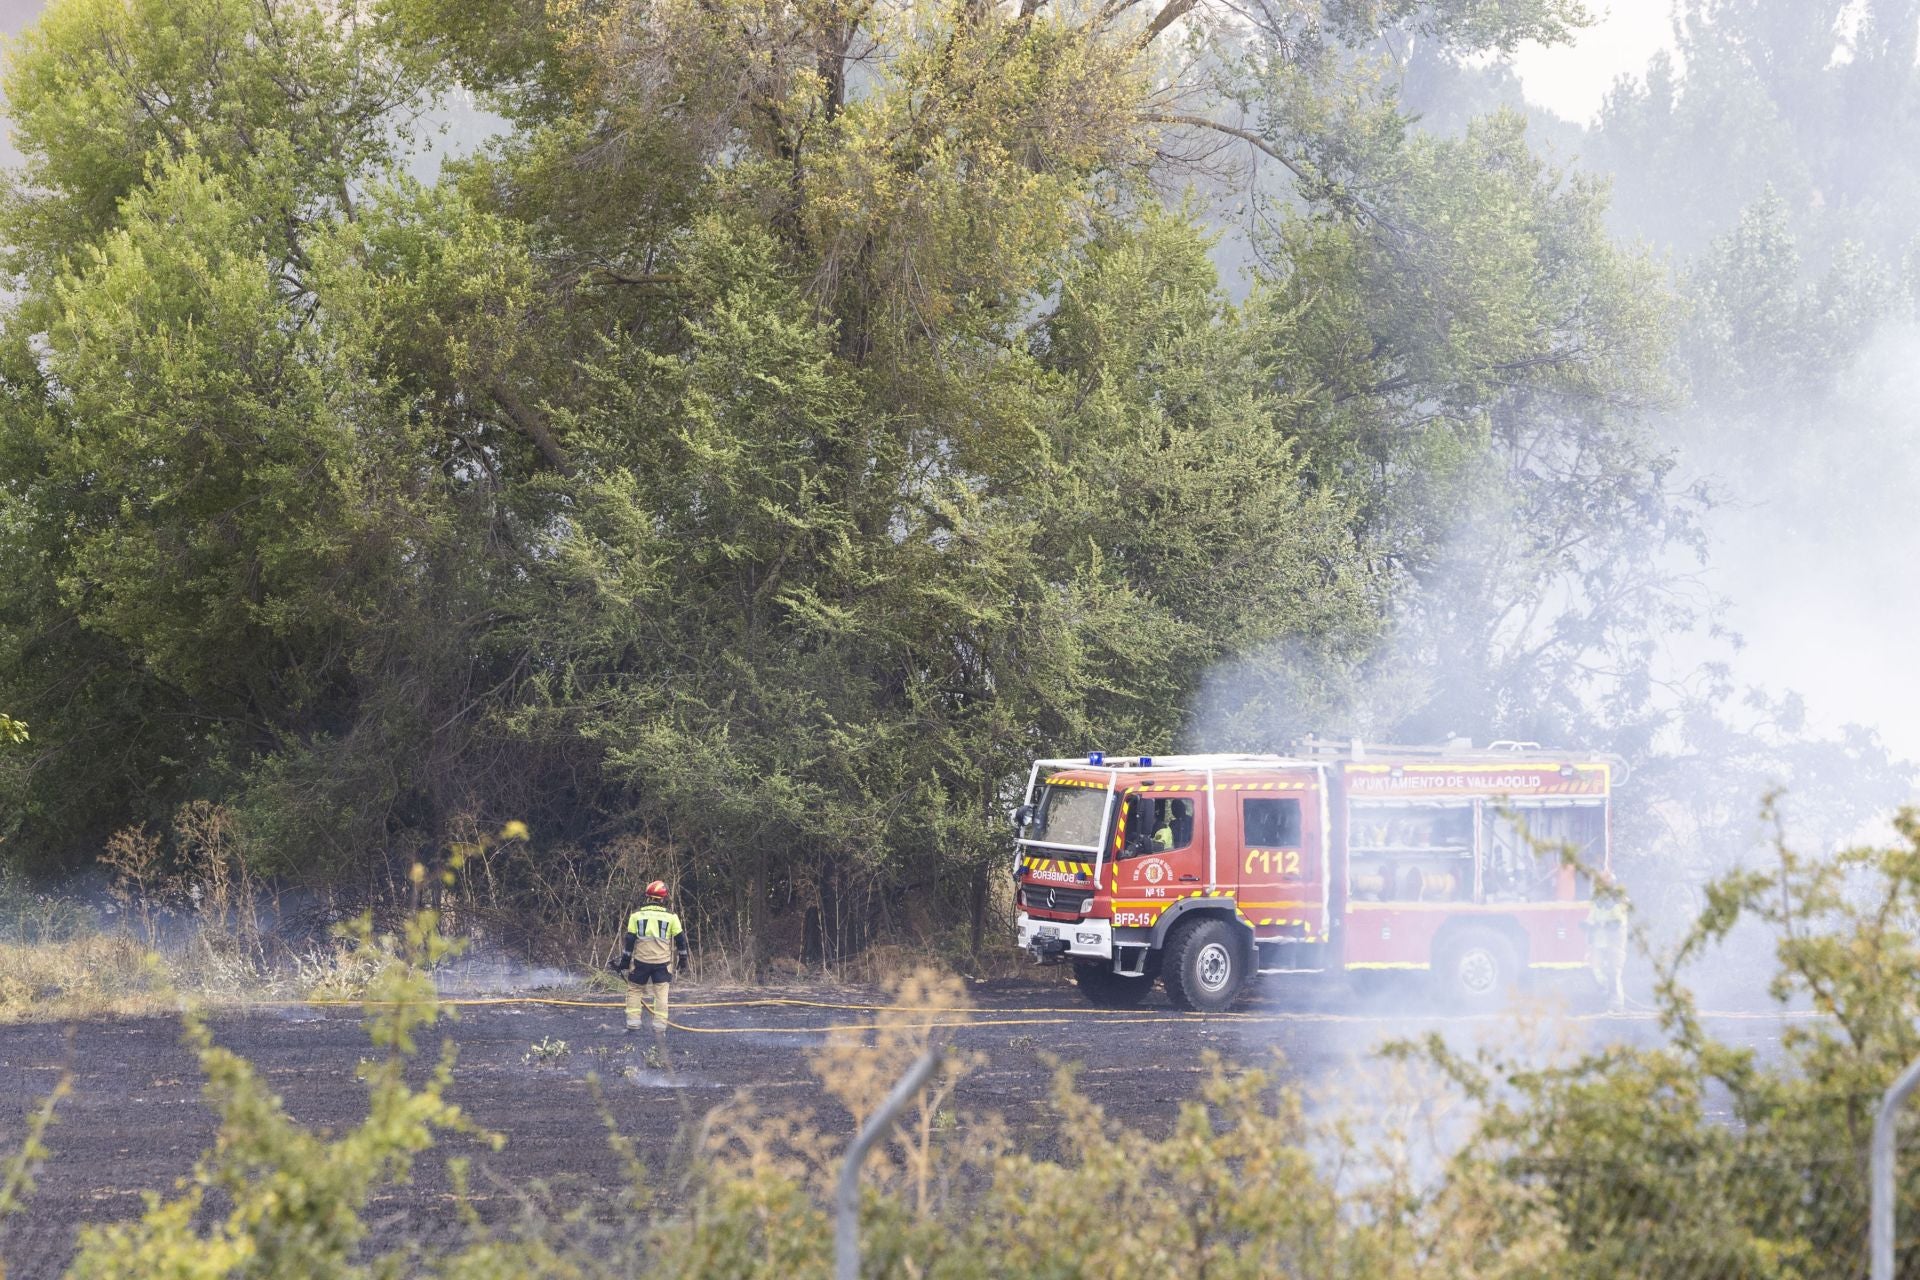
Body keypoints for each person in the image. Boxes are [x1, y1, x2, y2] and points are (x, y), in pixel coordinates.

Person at [610, 880, 689, 1034]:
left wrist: (625, 962)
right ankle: (659, 1027)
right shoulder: (671, 917)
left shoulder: (636, 915)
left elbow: (630, 941)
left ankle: (633, 1024)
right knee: (661, 993)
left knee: (634, 990)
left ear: (648, 897)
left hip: (641, 962)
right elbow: (680, 939)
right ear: (663, 898)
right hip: (662, 963)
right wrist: (683, 959)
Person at [1583, 871, 1629, 1013]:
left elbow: (1619, 923)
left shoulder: (1617, 902)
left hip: (1613, 944)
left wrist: (1603, 925)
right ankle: (1606, 996)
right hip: (1599, 943)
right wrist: (1587, 926)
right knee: (1597, 970)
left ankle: (1616, 1005)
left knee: (1614, 974)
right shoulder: (1597, 903)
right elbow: (1590, 919)